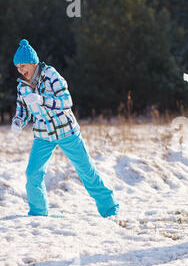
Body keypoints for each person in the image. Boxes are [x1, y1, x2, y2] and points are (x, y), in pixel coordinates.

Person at [11, 39, 119, 218]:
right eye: (18, 68)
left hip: (66, 131)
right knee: (32, 173)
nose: (21, 71)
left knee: (86, 171)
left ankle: (110, 209)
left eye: (23, 66)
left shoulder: (51, 75)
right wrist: (18, 121)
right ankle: (38, 214)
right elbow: (22, 110)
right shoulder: (22, 86)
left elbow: (66, 101)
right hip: (43, 135)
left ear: (33, 62)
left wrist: (42, 100)